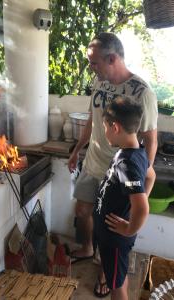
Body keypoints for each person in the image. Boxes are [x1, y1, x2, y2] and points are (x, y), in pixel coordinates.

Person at [68, 32, 158, 296]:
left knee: (110, 230)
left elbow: (151, 139)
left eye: (94, 62)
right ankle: (87, 248)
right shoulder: (99, 83)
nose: (91, 68)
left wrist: (139, 186)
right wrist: (76, 151)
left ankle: (107, 273)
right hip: (93, 164)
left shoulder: (142, 92)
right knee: (83, 212)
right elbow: (91, 121)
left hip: (120, 177)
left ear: (112, 58)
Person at [93, 97, 156, 300]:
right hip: (115, 235)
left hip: (115, 238)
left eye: (105, 127)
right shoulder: (137, 152)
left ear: (115, 127)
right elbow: (151, 176)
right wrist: (133, 207)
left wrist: (129, 229)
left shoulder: (127, 164)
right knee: (118, 277)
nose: (105, 132)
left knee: (116, 287)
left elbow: (142, 208)